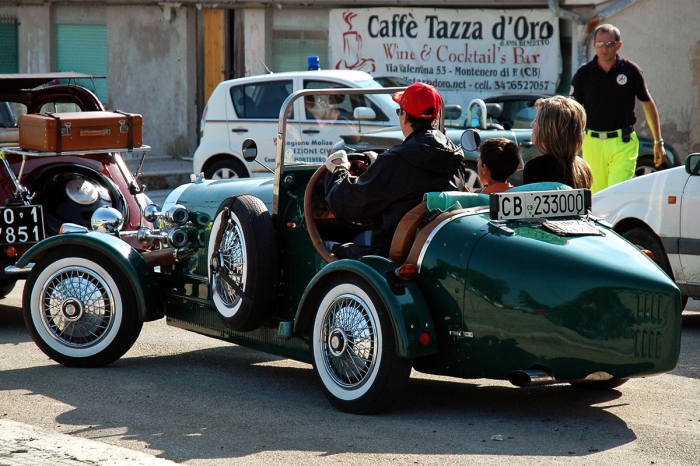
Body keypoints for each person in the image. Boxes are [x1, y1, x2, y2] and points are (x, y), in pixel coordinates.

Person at [324, 82, 465, 259]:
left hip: (390, 256)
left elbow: (346, 204)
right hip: (434, 252)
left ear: (405, 117)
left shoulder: (396, 161)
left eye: (400, 111)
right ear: (435, 118)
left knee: (328, 245)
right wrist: (375, 166)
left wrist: (338, 170)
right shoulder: (455, 158)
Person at [570, 23, 665, 194]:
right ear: (593, 45)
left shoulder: (630, 71)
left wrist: (658, 141)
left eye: (609, 44)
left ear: (618, 45)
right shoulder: (584, 74)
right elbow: (572, 108)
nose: (604, 48)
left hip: (623, 142)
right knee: (596, 196)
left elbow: (648, 103)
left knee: (616, 193)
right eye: (600, 44)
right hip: (592, 142)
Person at [522, 96, 593, 189]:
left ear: (548, 130)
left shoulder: (535, 168)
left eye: (536, 120)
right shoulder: (583, 168)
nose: (532, 124)